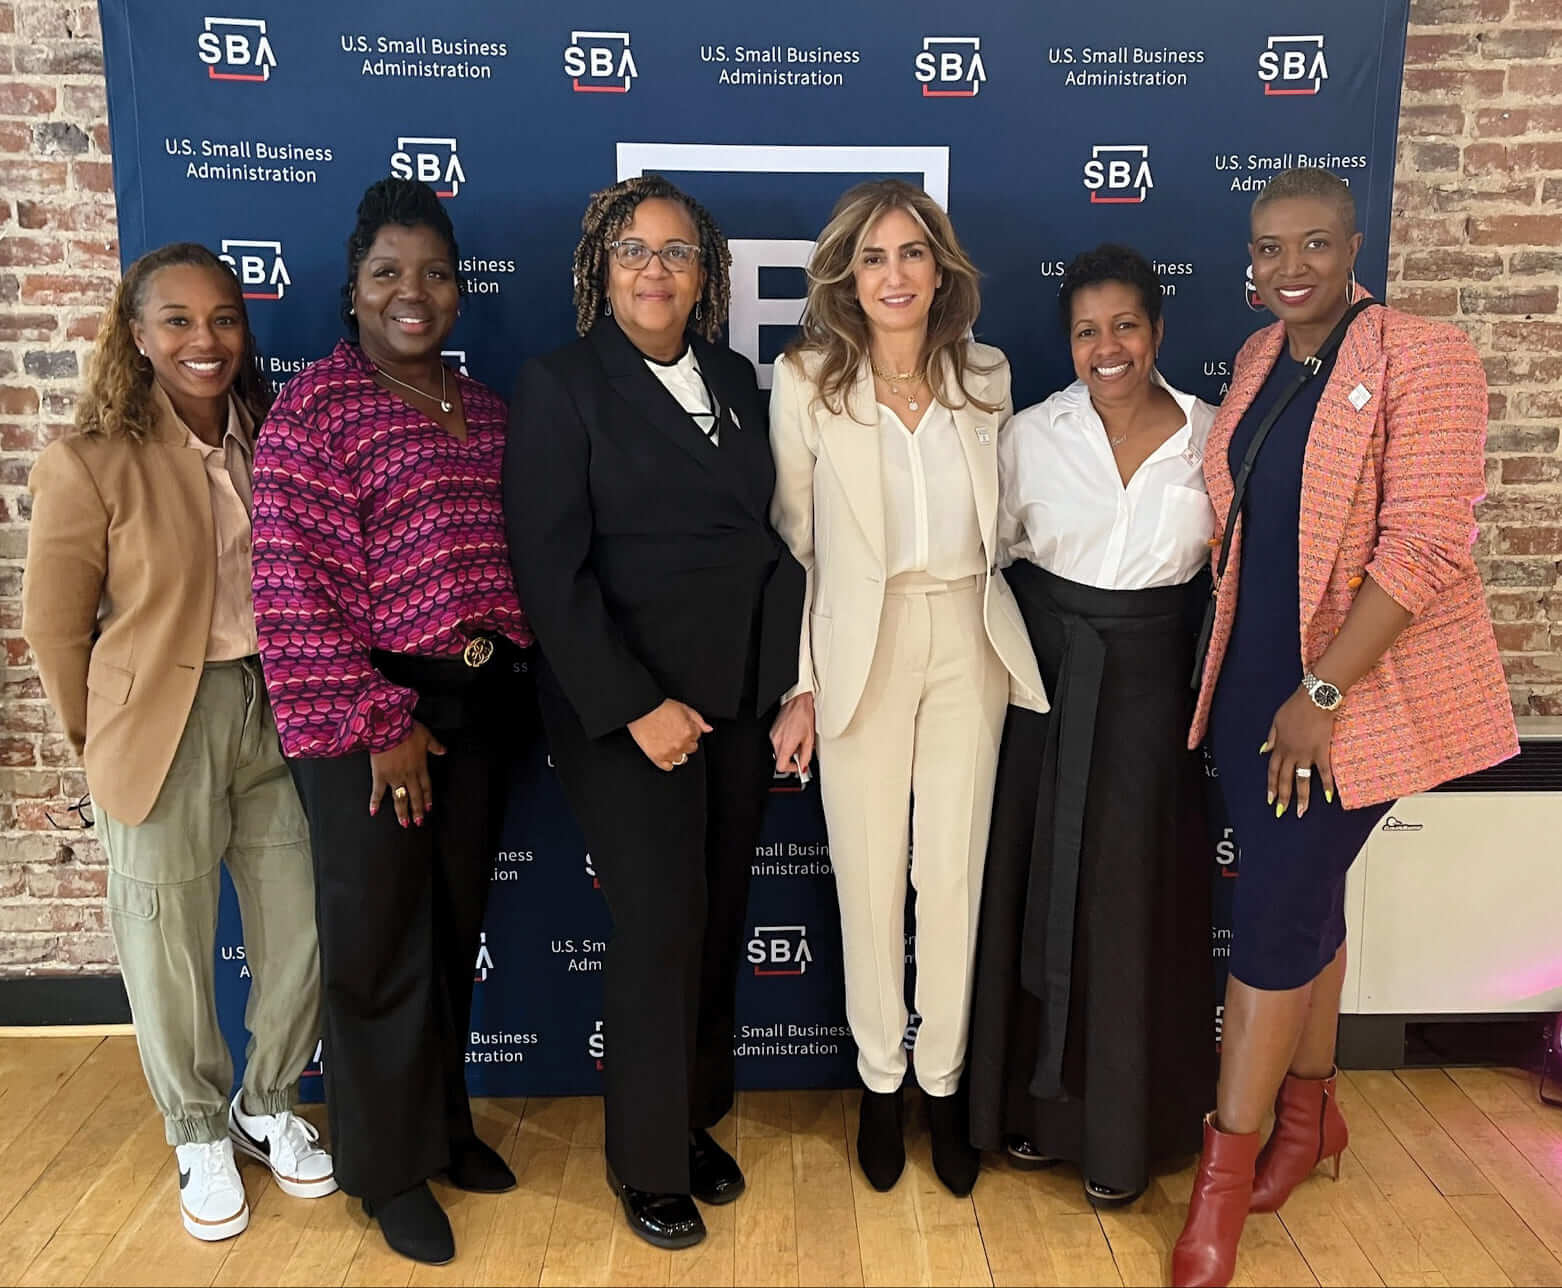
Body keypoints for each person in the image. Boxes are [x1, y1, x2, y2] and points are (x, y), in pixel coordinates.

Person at [1171, 168, 1519, 1287]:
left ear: (1354, 243)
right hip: (1246, 684)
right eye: (1268, 250)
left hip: (1340, 702)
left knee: (1272, 923)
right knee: (1300, 901)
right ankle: (1311, 1118)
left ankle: (1219, 1181)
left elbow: (1423, 546)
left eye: (1312, 244)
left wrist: (1317, 695)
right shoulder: (1259, 359)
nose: (1288, 269)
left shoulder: (1422, 353)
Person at [504, 175, 804, 1250]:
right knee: (661, 924)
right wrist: (637, 706)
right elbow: (549, 569)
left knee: (718, 917)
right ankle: (643, 1159)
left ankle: (686, 1120)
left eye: (676, 253)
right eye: (633, 249)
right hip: (624, 707)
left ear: (703, 274)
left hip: (730, 700)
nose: (654, 269)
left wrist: (778, 687)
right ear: (601, 265)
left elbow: (765, 545)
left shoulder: (733, 378)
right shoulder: (562, 384)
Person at [22, 243, 335, 1245]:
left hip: (276, 708)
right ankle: (197, 1126)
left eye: (223, 319)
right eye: (178, 321)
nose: (205, 341)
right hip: (160, 721)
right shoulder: (90, 459)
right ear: (138, 333)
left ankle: (267, 1101)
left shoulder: (275, 436)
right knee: (166, 942)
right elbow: (54, 627)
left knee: (302, 923)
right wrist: (100, 736)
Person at [250, 178, 531, 1267]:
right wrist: (380, 718)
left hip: (480, 704)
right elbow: (293, 588)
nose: (413, 293)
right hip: (373, 714)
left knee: (450, 936)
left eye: (434, 273)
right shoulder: (315, 411)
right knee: (376, 951)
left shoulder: (489, 409)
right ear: (352, 291)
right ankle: (384, 1167)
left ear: (458, 290)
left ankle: (447, 1124)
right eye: (387, 274)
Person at [769, 179, 1046, 1198]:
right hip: (856, 644)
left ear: (940, 269)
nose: (893, 275)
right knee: (870, 877)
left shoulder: (986, 373)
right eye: (873, 257)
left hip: (966, 632)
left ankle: (945, 1083)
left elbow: (1009, 521)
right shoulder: (805, 381)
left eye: (911, 254)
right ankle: (880, 1083)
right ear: (847, 273)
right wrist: (798, 685)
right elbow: (794, 546)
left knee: (952, 873)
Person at [966, 245, 1218, 1208]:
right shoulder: (1029, 435)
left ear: (1157, 331)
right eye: (1085, 331)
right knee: (1040, 895)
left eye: (1125, 326)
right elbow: (995, 560)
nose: (1105, 348)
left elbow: (1227, 571)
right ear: (1066, 343)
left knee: (1132, 910)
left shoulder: (1212, 436)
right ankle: (1032, 1117)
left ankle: (1128, 1136)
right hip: (1048, 698)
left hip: (1156, 708)